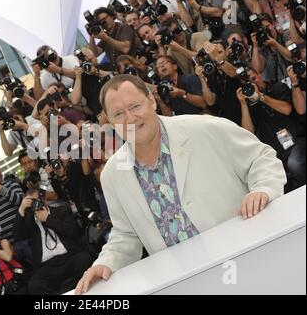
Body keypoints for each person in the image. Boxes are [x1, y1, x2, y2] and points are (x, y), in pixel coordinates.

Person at [75, 75, 286, 294]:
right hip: (187, 282)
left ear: (152, 101)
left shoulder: (204, 127)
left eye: (135, 106)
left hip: (245, 261)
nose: (130, 118)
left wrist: (263, 189)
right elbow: (126, 235)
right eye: (119, 113)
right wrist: (106, 263)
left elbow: (261, 159)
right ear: (109, 121)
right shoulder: (112, 174)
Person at [14, 188, 93, 294]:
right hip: (47, 265)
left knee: (84, 259)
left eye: (37, 200)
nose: (35, 204)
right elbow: (17, 236)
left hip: (69, 256)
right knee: (34, 284)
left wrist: (48, 219)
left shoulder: (61, 210)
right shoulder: (30, 222)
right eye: (31, 201)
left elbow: (74, 232)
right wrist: (21, 209)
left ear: (44, 199)